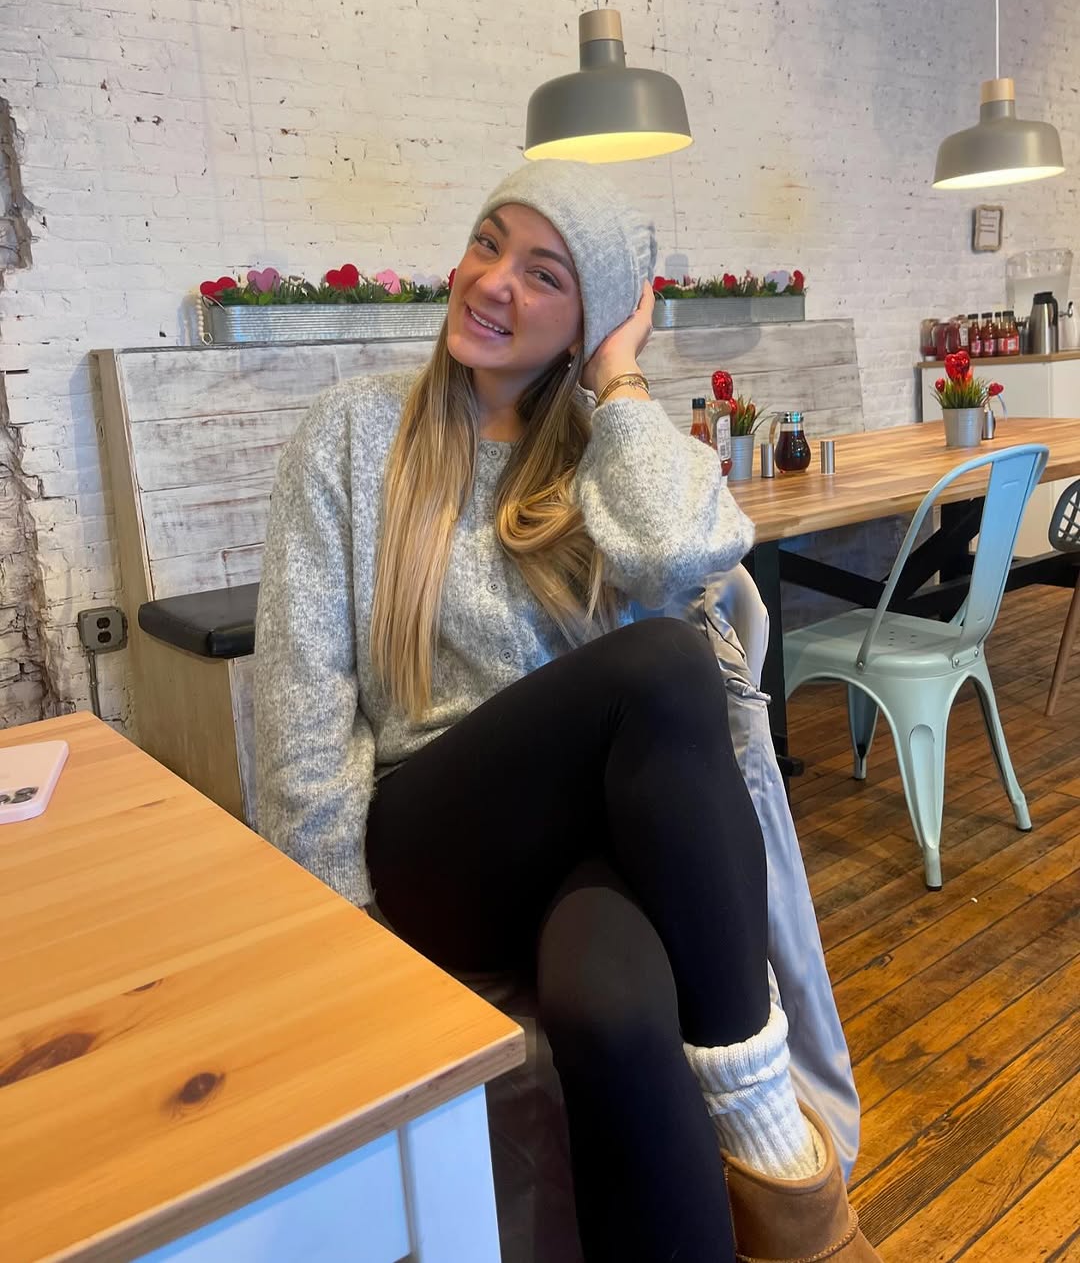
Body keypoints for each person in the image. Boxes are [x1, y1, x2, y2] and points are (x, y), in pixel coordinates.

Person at [254, 160, 881, 1263]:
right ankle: (768, 1120)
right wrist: (346, 948)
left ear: (590, 320)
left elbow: (689, 554)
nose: (493, 281)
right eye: (488, 242)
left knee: (616, 1012)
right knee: (661, 666)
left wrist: (620, 380)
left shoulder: (606, 454)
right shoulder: (351, 435)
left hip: (580, 852)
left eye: (544, 273)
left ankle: (760, 1176)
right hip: (434, 843)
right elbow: (299, 714)